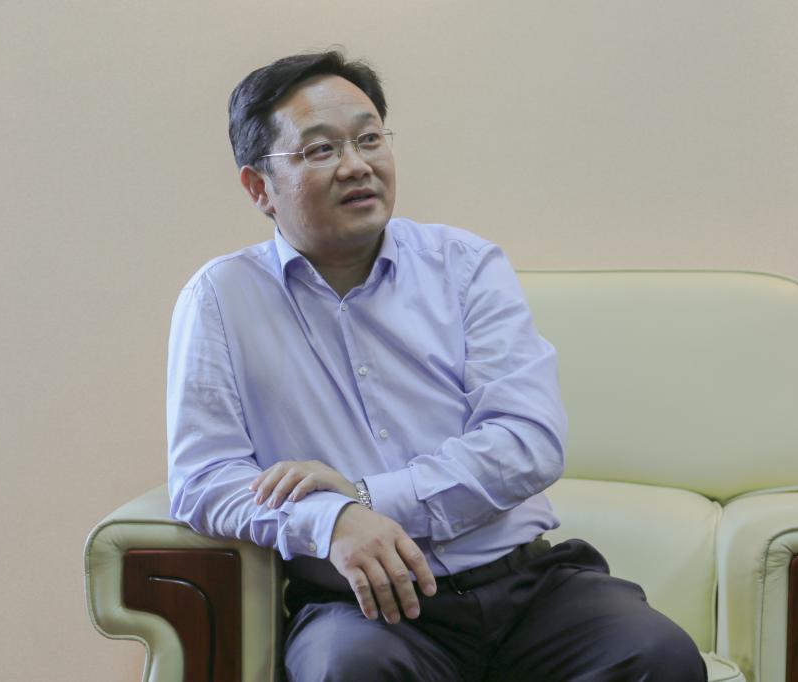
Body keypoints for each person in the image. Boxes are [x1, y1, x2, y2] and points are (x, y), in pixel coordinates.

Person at [167, 50, 707, 681]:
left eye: (369, 139)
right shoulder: (221, 299)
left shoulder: (466, 266)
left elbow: (528, 441)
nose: (356, 165)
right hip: (366, 607)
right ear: (259, 186)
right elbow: (204, 478)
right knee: (347, 671)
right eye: (320, 150)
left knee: (659, 656)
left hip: (528, 589)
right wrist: (331, 520)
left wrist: (367, 498)